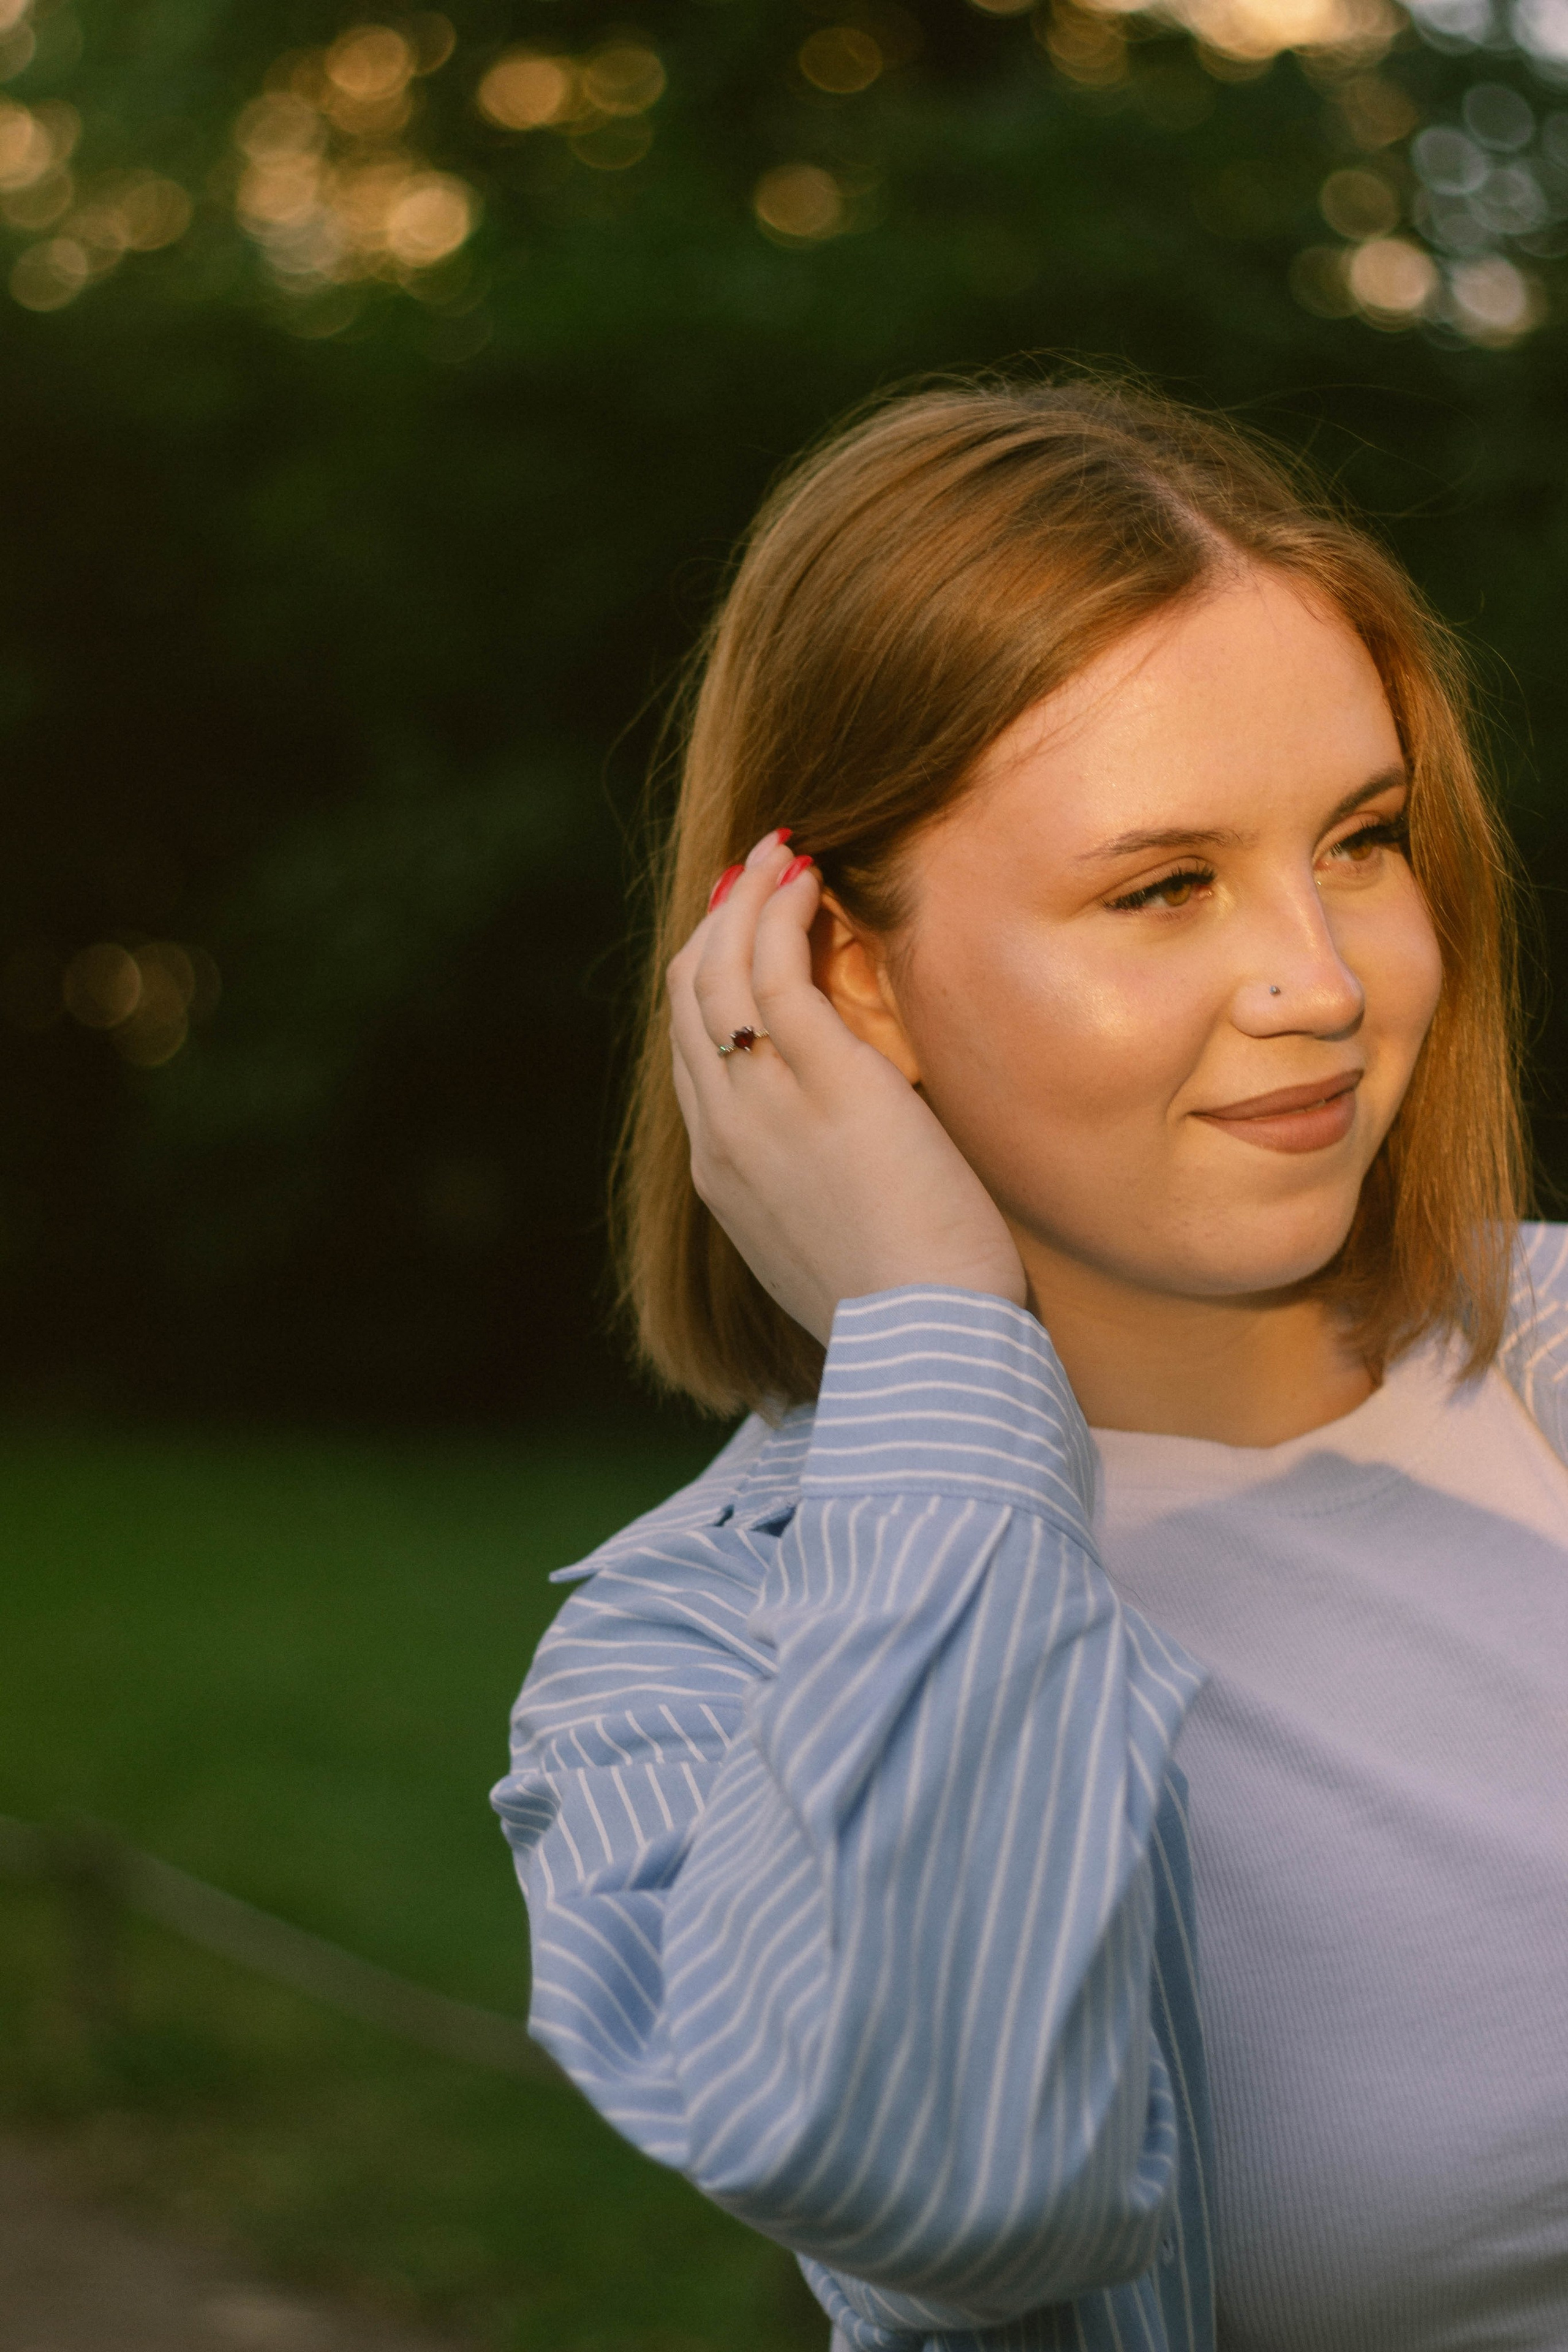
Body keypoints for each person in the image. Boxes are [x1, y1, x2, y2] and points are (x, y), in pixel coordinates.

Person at [491, 379, 1568, 2352]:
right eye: (1163, 886)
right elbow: (958, 2190)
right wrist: (933, 1336)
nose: (1321, 983)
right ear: (840, 971)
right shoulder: (687, 1674)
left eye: (1362, 841)